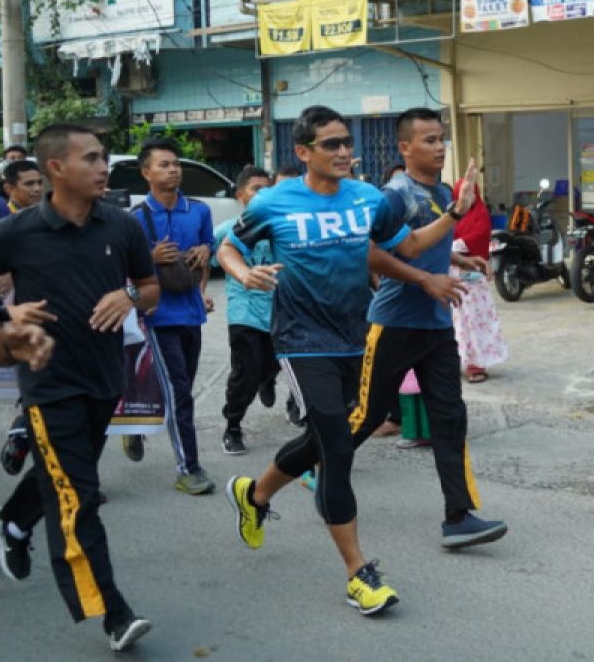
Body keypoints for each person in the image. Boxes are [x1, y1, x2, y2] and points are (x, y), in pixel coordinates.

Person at [218, 105, 481, 615]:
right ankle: (359, 573)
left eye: (346, 143)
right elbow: (229, 246)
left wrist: (453, 216)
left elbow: (404, 246)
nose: (344, 152)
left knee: (324, 438)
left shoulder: (366, 198)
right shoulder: (275, 201)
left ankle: (255, 495)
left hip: (354, 338)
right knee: (338, 446)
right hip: (301, 340)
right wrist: (242, 273)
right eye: (331, 145)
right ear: (303, 152)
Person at [0, 123, 159, 651]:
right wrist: (7, 312)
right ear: (55, 169)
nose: (104, 166)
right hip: (48, 383)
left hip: (104, 380)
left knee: (67, 476)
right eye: (90, 158)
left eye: (104, 156)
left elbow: (153, 286)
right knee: (79, 498)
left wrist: (130, 296)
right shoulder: (16, 233)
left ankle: (12, 524)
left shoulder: (122, 227)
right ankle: (110, 609)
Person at [353, 108, 508, 550]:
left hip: (437, 325)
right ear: (405, 148)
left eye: (442, 139)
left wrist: (459, 260)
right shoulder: (394, 194)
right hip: (395, 323)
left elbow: (429, 242)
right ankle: (316, 462)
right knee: (366, 416)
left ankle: (458, 517)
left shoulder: (439, 191)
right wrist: (427, 274)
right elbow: (371, 251)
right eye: (429, 140)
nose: (439, 147)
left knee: (450, 417)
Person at [131, 137, 216, 495]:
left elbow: (207, 254)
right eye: (164, 164)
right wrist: (150, 258)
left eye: (176, 163)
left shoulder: (199, 211)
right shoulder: (134, 219)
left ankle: (133, 423)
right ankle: (188, 468)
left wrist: (203, 252)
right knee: (180, 392)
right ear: (146, 172)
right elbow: (122, 269)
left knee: (178, 389)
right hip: (158, 316)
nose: (173, 169)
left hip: (191, 314)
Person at [213, 165, 278, 455]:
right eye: (256, 189)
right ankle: (233, 426)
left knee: (276, 363)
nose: (264, 195)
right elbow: (208, 255)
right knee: (245, 373)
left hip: (280, 313)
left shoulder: (281, 227)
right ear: (241, 196)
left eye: (269, 189)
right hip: (244, 312)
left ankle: (269, 377)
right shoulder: (227, 231)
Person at [450, 176, 507, 383]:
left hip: (472, 277)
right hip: (450, 278)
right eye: (464, 192)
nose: (469, 197)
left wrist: (453, 247)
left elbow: (478, 236)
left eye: (472, 192)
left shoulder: (481, 213)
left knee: (473, 321)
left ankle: (475, 364)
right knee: (453, 323)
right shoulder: (451, 214)